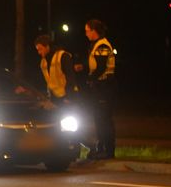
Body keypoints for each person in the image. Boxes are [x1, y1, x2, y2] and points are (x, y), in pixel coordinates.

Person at [75, 19, 116, 159]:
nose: (86, 33)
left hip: (104, 87)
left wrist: (90, 79)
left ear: (94, 31)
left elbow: (101, 67)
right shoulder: (96, 45)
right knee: (99, 119)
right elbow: (95, 65)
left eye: (87, 30)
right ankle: (101, 149)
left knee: (104, 119)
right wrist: (84, 67)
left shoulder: (102, 45)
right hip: (100, 87)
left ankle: (107, 151)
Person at [33, 34, 78, 106]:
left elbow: (70, 77)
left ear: (47, 46)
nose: (39, 52)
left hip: (68, 97)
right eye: (38, 50)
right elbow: (46, 81)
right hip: (54, 98)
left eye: (40, 49)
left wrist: (69, 97)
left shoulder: (63, 56)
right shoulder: (43, 62)